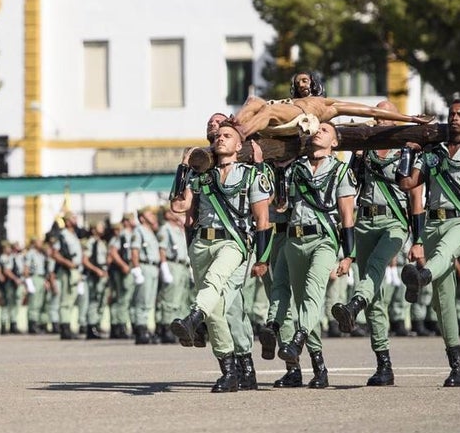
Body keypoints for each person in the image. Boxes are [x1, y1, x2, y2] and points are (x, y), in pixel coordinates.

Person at [398, 97, 460, 387]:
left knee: (443, 254)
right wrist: (409, 152)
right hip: (432, 223)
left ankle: (422, 274)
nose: (454, 118)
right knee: (443, 304)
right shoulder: (433, 154)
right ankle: (457, 366)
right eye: (451, 114)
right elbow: (407, 183)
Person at [169, 120, 272, 393]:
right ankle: (229, 372)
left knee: (215, 287)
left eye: (227, 135)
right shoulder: (201, 176)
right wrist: (183, 167)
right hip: (202, 244)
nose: (221, 139)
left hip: (233, 244)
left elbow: (262, 219)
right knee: (217, 309)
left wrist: (262, 258)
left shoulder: (251, 175)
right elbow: (179, 206)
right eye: (218, 136)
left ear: (240, 145)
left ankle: (193, 318)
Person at [330, 103, 422, 386]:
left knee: (374, 267)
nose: (378, 119)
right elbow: (352, 183)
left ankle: (353, 305)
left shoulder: (406, 149)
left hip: (393, 222)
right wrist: (356, 155)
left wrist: (417, 240)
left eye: (384, 115)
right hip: (365, 222)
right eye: (375, 115)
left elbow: (415, 198)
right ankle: (384, 363)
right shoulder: (367, 148)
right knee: (376, 299)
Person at [274, 121, 356, 389]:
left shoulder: (341, 171)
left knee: (313, 293)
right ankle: (319, 366)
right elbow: (282, 205)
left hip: (324, 240)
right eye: (316, 129)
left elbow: (347, 216)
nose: (318, 132)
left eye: (325, 130)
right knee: (301, 305)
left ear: (334, 142)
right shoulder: (295, 169)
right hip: (294, 240)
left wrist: (348, 254)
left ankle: (297, 340)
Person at [231, 91, 433, 140]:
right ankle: (233, 124)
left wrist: (411, 119)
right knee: (254, 100)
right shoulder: (297, 97)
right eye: (299, 81)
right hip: (283, 112)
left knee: (268, 109)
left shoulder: (332, 105)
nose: (302, 85)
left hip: (298, 117)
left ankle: (241, 133)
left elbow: (371, 111)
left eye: (306, 81)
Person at [155, 209, 190, 345]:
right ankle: (166, 327)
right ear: (168, 214)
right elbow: (162, 249)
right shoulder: (166, 229)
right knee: (169, 299)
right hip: (172, 265)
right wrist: (164, 266)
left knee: (181, 298)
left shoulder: (180, 229)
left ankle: (177, 327)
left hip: (183, 266)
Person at [130, 206, 162, 344]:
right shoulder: (139, 230)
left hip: (154, 267)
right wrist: (136, 268)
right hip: (144, 266)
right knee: (142, 300)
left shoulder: (151, 232)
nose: (153, 216)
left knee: (149, 301)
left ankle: (146, 329)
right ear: (142, 217)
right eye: (149, 214)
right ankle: (140, 330)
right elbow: (135, 251)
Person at [50, 212, 83, 340]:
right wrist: (67, 263)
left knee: (71, 299)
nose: (76, 220)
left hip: (75, 270)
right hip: (66, 271)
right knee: (65, 300)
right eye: (73, 218)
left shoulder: (73, 234)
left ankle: (67, 327)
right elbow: (55, 253)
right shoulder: (62, 235)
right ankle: (65, 329)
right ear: (68, 221)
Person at [82, 221, 110, 340]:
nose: (102, 227)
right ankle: (91, 328)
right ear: (93, 229)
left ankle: (96, 325)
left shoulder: (101, 243)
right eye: (99, 225)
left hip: (102, 274)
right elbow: (85, 260)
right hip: (95, 275)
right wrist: (96, 270)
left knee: (101, 301)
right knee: (93, 301)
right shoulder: (91, 243)